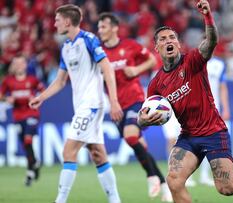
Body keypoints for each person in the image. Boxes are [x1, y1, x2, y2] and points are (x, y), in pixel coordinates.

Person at [138, 1, 233, 202]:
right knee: (174, 181)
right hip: (188, 136)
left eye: (172, 37)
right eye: (162, 39)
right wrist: (144, 120)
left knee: (227, 188)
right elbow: (143, 118)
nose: (168, 40)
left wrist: (208, 17)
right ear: (157, 47)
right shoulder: (156, 84)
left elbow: (211, 41)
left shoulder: (193, 60)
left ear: (178, 43)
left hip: (213, 132)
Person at [29, 4, 123, 203]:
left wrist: (113, 101)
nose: (54, 24)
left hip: (92, 104)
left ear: (67, 21)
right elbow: (61, 81)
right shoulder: (66, 47)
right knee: (97, 153)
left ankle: (60, 200)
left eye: (57, 20)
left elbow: (107, 67)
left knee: (68, 150)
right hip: (81, 106)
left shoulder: (88, 40)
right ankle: (115, 200)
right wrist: (42, 97)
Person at [97, 12, 173, 202]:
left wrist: (136, 70)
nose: (100, 31)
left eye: (103, 27)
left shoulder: (129, 45)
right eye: (99, 27)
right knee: (138, 145)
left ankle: (150, 177)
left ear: (114, 28)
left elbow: (152, 60)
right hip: (116, 105)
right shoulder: (98, 51)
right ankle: (164, 185)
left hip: (136, 100)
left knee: (130, 136)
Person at [164, 56, 231, 187]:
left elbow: (223, 86)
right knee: (178, 141)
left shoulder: (219, 65)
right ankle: (180, 175)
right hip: (187, 109)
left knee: (206, 142)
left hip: (211, 109)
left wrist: (226, 107)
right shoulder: (191, 62)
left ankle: (204, 176)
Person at [0, 55, 44, 186]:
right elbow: (1, 95)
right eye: (16, 63)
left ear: (25, 65)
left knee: (27, 139)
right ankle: (34, 162)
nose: (18, 66)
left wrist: (36, 98)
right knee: (25, 144)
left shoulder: (33, 80)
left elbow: (42, 91)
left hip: (32, 114)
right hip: (18, 116)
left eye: (20, 63)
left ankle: (30, 172)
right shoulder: (8, 81)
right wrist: (7, 100)